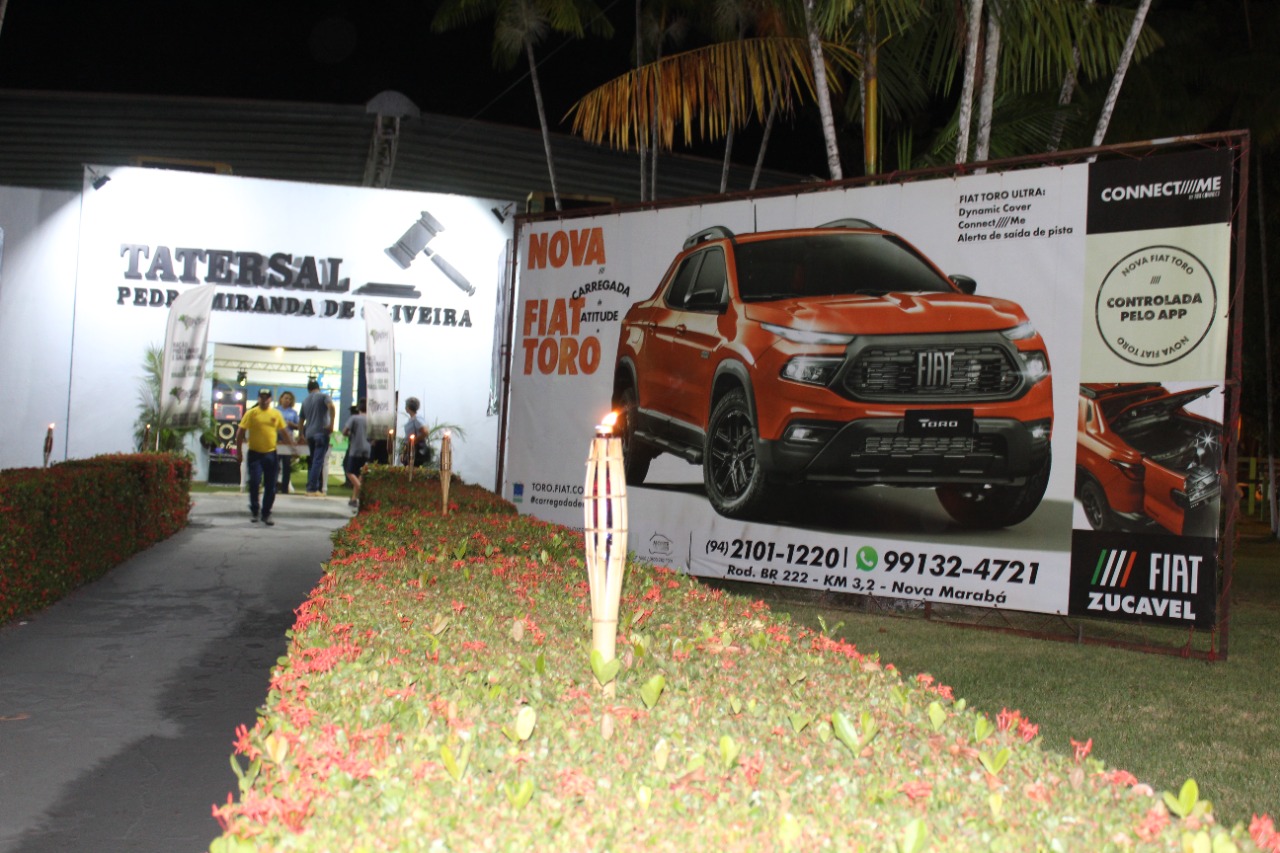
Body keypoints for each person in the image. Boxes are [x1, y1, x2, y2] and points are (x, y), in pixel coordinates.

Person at [235, 388, 296, 526]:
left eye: (266, 397)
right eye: (261, 397)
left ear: (270, 399)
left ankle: (266, 513)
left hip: (270, 454)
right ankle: (255, 510)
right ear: (258, 398)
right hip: (255, 454)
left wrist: (292, 447)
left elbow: (284, 432)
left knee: (270, 485)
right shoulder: (251, 413)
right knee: (254, 482)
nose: (264, 400)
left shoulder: (276, 414)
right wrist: (238, 452)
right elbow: (240, 433)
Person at [298, 379, 336, 496]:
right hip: (321, 431)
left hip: (309, 433)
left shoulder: (305, 401)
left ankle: (311, 487)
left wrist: (300, 434)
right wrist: (331, 424)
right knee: (318, 461)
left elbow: (301, 420)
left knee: (313, 461)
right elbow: (331, 407)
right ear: (318, 387)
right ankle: (312, 488)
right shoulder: (324, 396)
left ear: (308, 389)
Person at [343, 399, 371, 508]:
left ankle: (363, 490)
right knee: (360, 474)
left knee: (349, 472)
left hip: (356, 448)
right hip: (367, 449)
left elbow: (345, 431)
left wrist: (351, 433)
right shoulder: (371, 420)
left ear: (359, 408)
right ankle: (354, 498)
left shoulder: (354, 418)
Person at [276, 390, 300, 494]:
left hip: (288, 440)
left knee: (286, 465)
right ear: (281, 399)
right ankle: (274, 485)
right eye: (286, 398)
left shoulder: (293, 413)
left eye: (289, 399)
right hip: (276, 439)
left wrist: (291, 424)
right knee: (275, 464)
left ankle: (285, 488)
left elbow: (298, 426)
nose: (287, 400)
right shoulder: (275, 411)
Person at [402, 396, 430, 468]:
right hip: (410, 448)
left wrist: (413, 441)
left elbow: (425, 432)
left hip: (415, 450)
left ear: (408, 407)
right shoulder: (412, 419)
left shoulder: (417, 419)